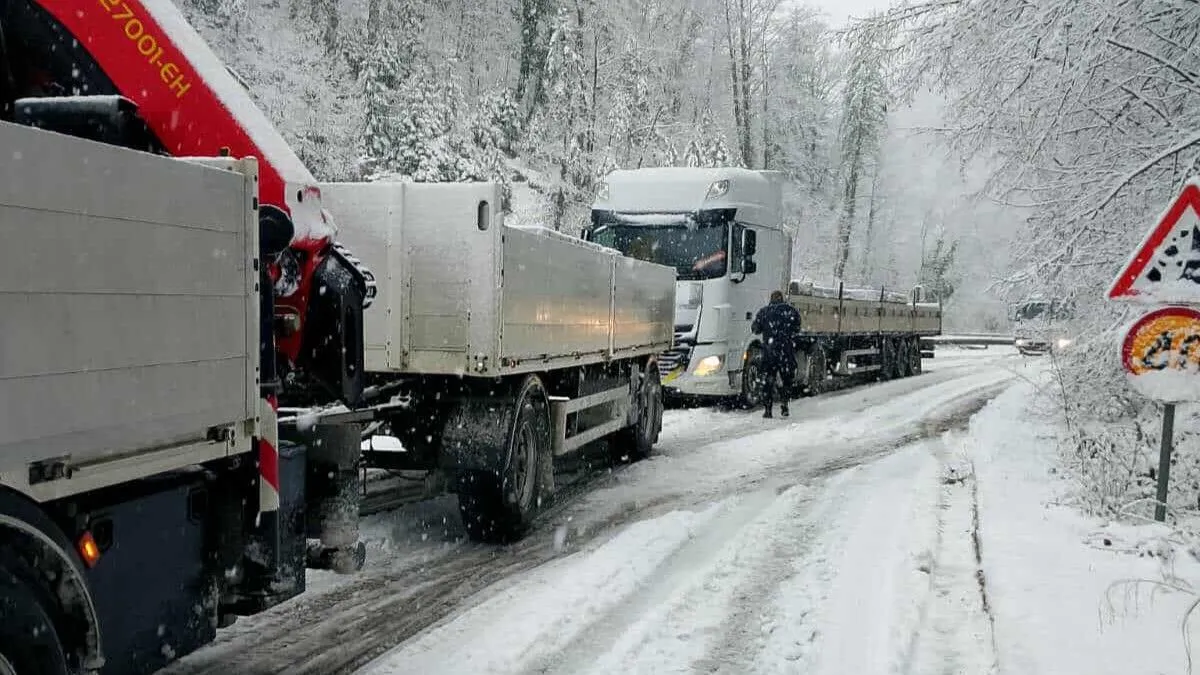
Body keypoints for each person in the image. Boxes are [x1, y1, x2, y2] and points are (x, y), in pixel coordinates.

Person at [751, 290, 801, 418]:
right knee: (787, 379)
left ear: (771, 299)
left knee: (768, 380)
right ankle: (784, 404)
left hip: (769, 352)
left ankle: (768, 410)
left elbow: (755, 329)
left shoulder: (764, 312)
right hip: (786, 351)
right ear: (782, 299)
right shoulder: (791, 311)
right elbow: (797, 328)